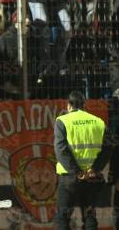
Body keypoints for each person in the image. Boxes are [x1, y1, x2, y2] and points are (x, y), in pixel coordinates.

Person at [53, 91, 113, 229]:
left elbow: (61, 150)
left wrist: (77, 173)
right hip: (91, 177)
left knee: (63, 218)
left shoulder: (62, 121)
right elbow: (108, 147)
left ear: (69, 106)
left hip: (69, 178)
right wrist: (95, 169)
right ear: (84, 105)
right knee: (90, 217)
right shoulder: (99, 122)